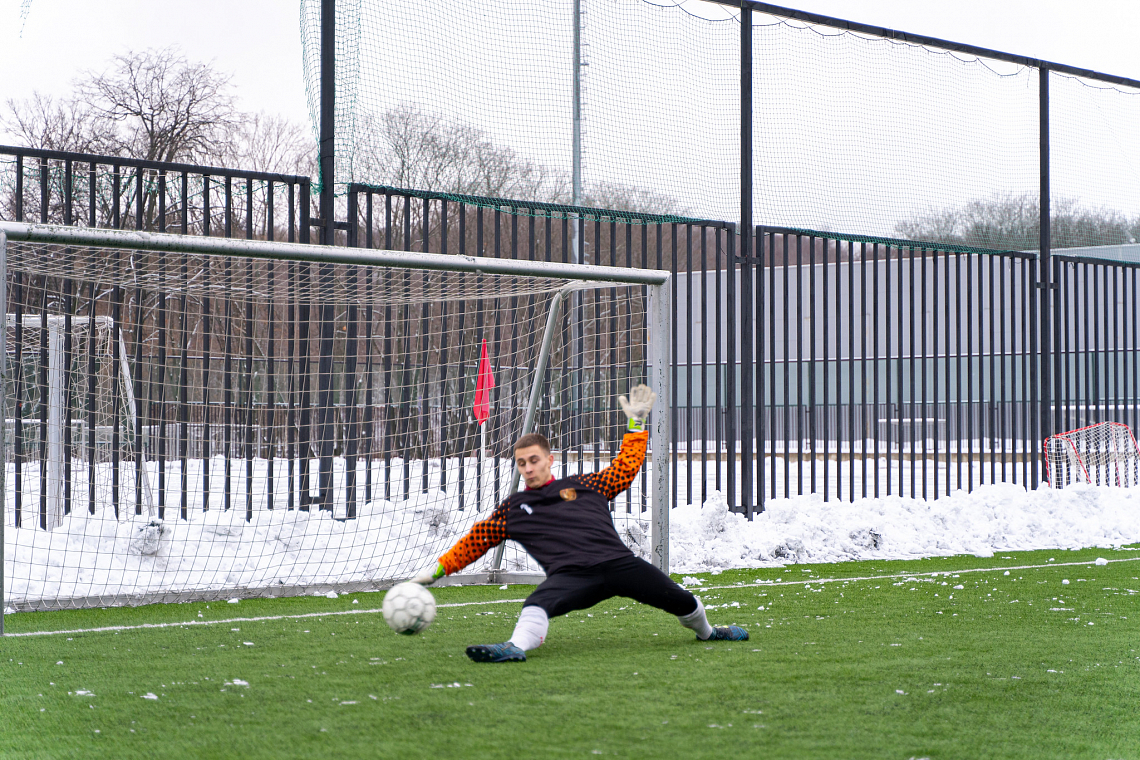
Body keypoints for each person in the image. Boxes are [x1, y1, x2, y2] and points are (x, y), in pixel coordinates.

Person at [411, 384, 748, 663]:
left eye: (534, 460)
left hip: (620, 565)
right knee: (535, 604)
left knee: (683, 601)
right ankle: (514, 647)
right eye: (521, 463)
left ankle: (709, 632)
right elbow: (476, 541)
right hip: (572, 577)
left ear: (549, 460)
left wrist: (636, 426)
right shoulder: (514, 508)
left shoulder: (586, 484)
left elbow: (625, 467)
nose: (527, 468)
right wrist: (438, 570)